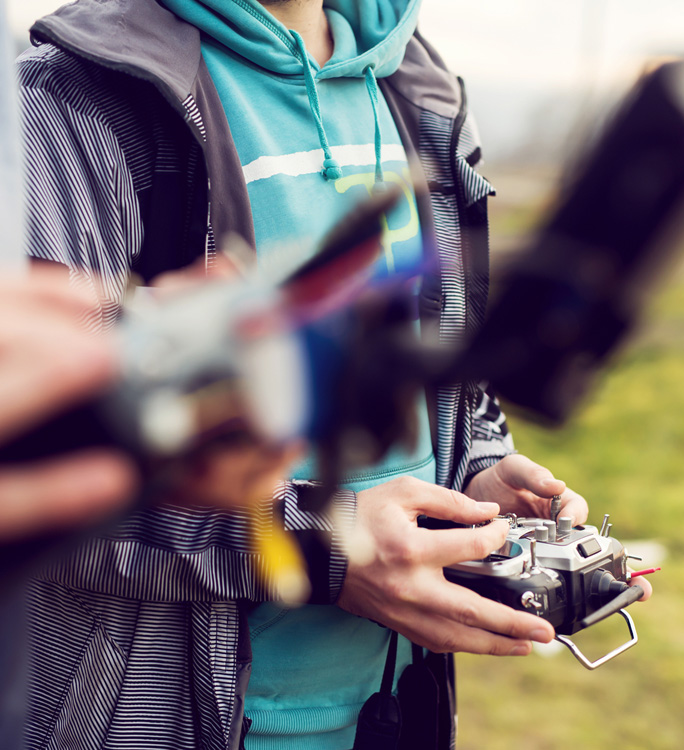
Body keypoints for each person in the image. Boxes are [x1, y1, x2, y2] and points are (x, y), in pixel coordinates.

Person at [16, 1, 651, 748]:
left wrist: (477, 469)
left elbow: (444, 364)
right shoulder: (73, 99)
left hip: (392, 709)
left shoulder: (418, 85)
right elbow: (39, 476)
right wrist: (326, 545)